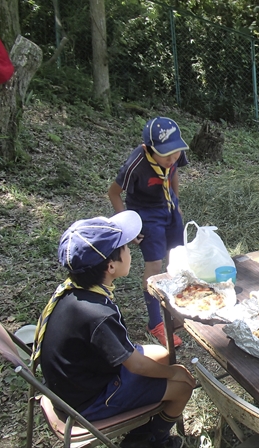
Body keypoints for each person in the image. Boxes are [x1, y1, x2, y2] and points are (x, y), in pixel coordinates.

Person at [34, 211, 196, 448]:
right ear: (111, 266)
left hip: (76, 381)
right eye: (126, 249)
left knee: (162, 355)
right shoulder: (97, 315)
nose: (130, 251)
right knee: (183, 384)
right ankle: (150, 440)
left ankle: (145, 422)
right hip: (87, 400)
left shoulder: (74, 289)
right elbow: (136, 365)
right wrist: (175, 373)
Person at [108, 117, 189, 348]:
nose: (172, 158)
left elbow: (173, 173)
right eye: (166, 155)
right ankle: (155, 322)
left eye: (176, 153)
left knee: (177, 257)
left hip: (169, 208)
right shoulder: (136, 164)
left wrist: (176, 201)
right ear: (148, 149)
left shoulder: (173, 152)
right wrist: (128, 226)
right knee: (154, 265)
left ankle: (174, 309)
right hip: (146, 215)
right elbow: (113, 193)